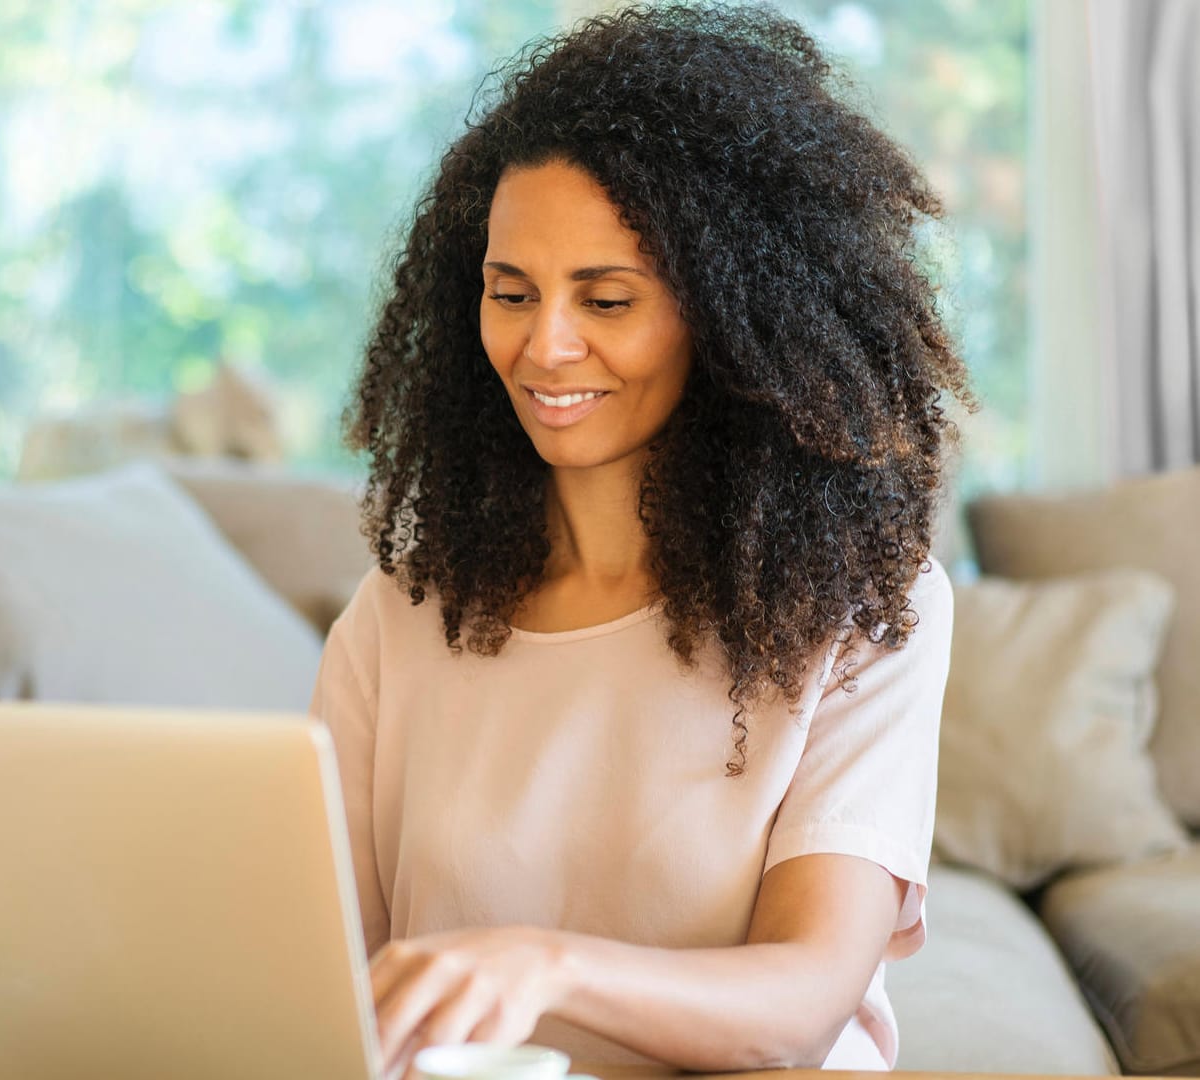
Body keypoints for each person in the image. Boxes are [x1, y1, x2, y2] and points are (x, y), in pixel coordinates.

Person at [309, 3, 973, 1076]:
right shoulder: (402, 617)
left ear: (729, 314)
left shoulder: (858, 609)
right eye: (509, 292)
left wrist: (551, 968)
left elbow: (804, 1001)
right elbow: (320, 971)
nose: (544, 345)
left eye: (607, 298)